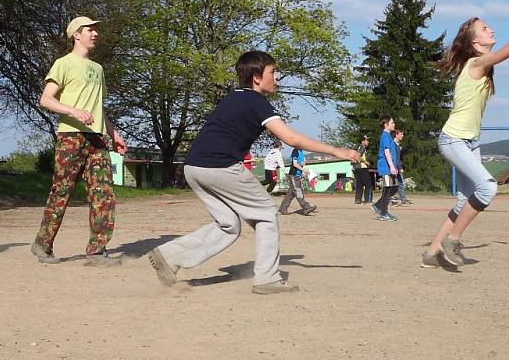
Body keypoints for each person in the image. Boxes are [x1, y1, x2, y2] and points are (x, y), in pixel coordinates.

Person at [146, 51, 359, 294]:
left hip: (194, 167)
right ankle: (267, 278)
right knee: (267, 212)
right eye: (272, 73)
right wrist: (335, 150)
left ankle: (169, 255)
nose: (277, 79)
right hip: (220, 166)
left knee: (228, 225)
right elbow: (291, 138)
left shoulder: (232, 98)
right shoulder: (256, 101)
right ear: (257, 78)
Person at [421, 0, 509, 268]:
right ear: (474, 43)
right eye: (484, 28)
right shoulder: (475, 63)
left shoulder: (480, 65)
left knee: (463, 201)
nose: (491, 30)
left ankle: (432, 253)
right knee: (487, 188)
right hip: (454, 140)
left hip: (469, 142)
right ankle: (452, 239)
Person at [31, 16, 127, 266]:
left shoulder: (98, 69)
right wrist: (73, 111)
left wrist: (113, 134)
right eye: (90, 30)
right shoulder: (63, 64)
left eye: (96, 29)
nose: (95, 33)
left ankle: (97, 251)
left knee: (103, 193)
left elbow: (99, 107)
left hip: (97, 139)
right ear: (76, 34)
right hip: (71, 137)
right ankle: (43, 244)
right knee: (62, 191)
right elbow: (46, 99)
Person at [372, 117, 399, 221]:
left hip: (390, 166)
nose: (394, 124)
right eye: (392, 122)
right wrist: (391, 166)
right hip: (386, 166)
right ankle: (383, 213)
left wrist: (395, 166)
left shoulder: (388, 136)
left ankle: (378, 206)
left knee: (394, 188)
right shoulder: (385, 136)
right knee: (387, 189)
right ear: (386, 125)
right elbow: (387, 152)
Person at [278, 147, 316, 215]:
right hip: (293, 175)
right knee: (298, 191)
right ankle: (306, 208)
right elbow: (295, 164)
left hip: (297, 176)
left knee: (291, 194)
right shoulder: (295, 151)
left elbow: (303, 162)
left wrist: (304, 164)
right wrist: (303, 170)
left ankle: (282, 208)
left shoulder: (301, 152)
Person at [391, 129, 412, 206]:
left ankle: (403, 199)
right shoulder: (393, 144)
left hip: (397, 166)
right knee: (394, 184)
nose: (402, 136)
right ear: (396, 135)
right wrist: (399, 167)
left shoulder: (397, 144)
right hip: (394, 167)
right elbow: (395, 157)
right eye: (401, 134)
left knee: (399, 183)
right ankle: (391, 200)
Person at [352, 136, 373, 205]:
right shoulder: (362, 148)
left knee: (359, 184)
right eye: (367, 140)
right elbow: (358, 155)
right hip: (362, 168)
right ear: (362, 142)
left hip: (356, 168)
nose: (368, 142)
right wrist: (366, 162)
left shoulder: (356, 148)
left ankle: (358, 200)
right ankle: (367, 200)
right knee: (368, 184)